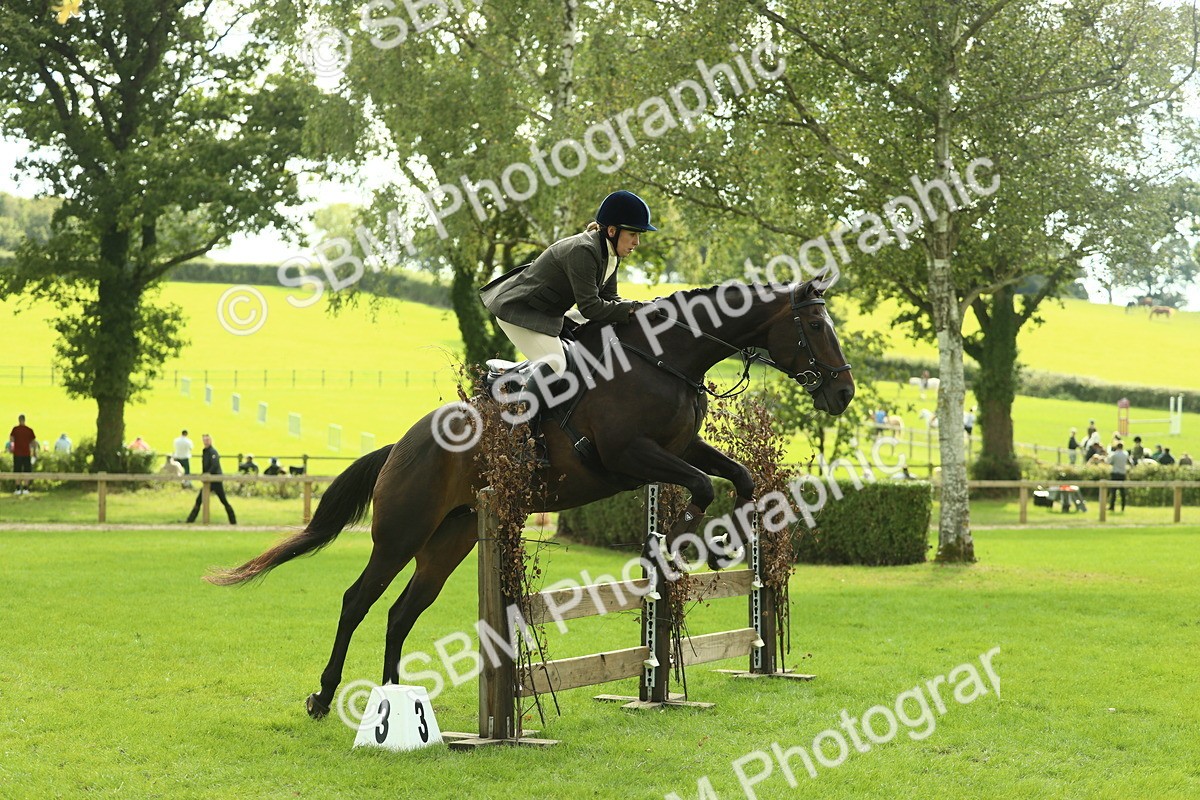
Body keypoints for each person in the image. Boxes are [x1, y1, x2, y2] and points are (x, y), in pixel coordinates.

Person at [479, 190, 660, 414]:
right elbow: (591, 307)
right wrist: (633, 308)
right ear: (612, 231)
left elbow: (610, 299)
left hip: (548, 313)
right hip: (519, 312)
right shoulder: (584, 251)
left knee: (587, 342)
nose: (637, 242)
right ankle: (519, 427)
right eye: (633, 234)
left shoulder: (610, 253)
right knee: (557, 365)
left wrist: (638, 309)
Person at [186, 434, 236, 524]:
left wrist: (207, 474)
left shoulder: (213, 452)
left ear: (211, 441)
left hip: (215, 480)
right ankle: (190, 520)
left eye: (207, 440)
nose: (206, 442)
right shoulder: (205, 452)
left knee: (223, 500)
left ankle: (233, 520)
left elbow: (215, 465)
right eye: (204, 440)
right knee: (199, 499)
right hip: (208, 480)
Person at [8, 414, 38, 495]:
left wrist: (11, 448)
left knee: (17, 470)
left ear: (19, 420)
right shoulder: (29, 430)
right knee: (27, 470)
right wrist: (34, 452)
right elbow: (34, 442)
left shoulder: (15, 429)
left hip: (17, 453)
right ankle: (25, 488)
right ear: (24, 420)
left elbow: (11, 440)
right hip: (26, 453)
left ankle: (17, 488)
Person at [1107, 442, 1129, 512]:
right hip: (1123, 474)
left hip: (1115, 473)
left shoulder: (1114, 454)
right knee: (1123, 492)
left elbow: (1109, 462)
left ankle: (1112, 506)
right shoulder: (1126, 454)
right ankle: (1123, 507)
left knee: (1113, 491)